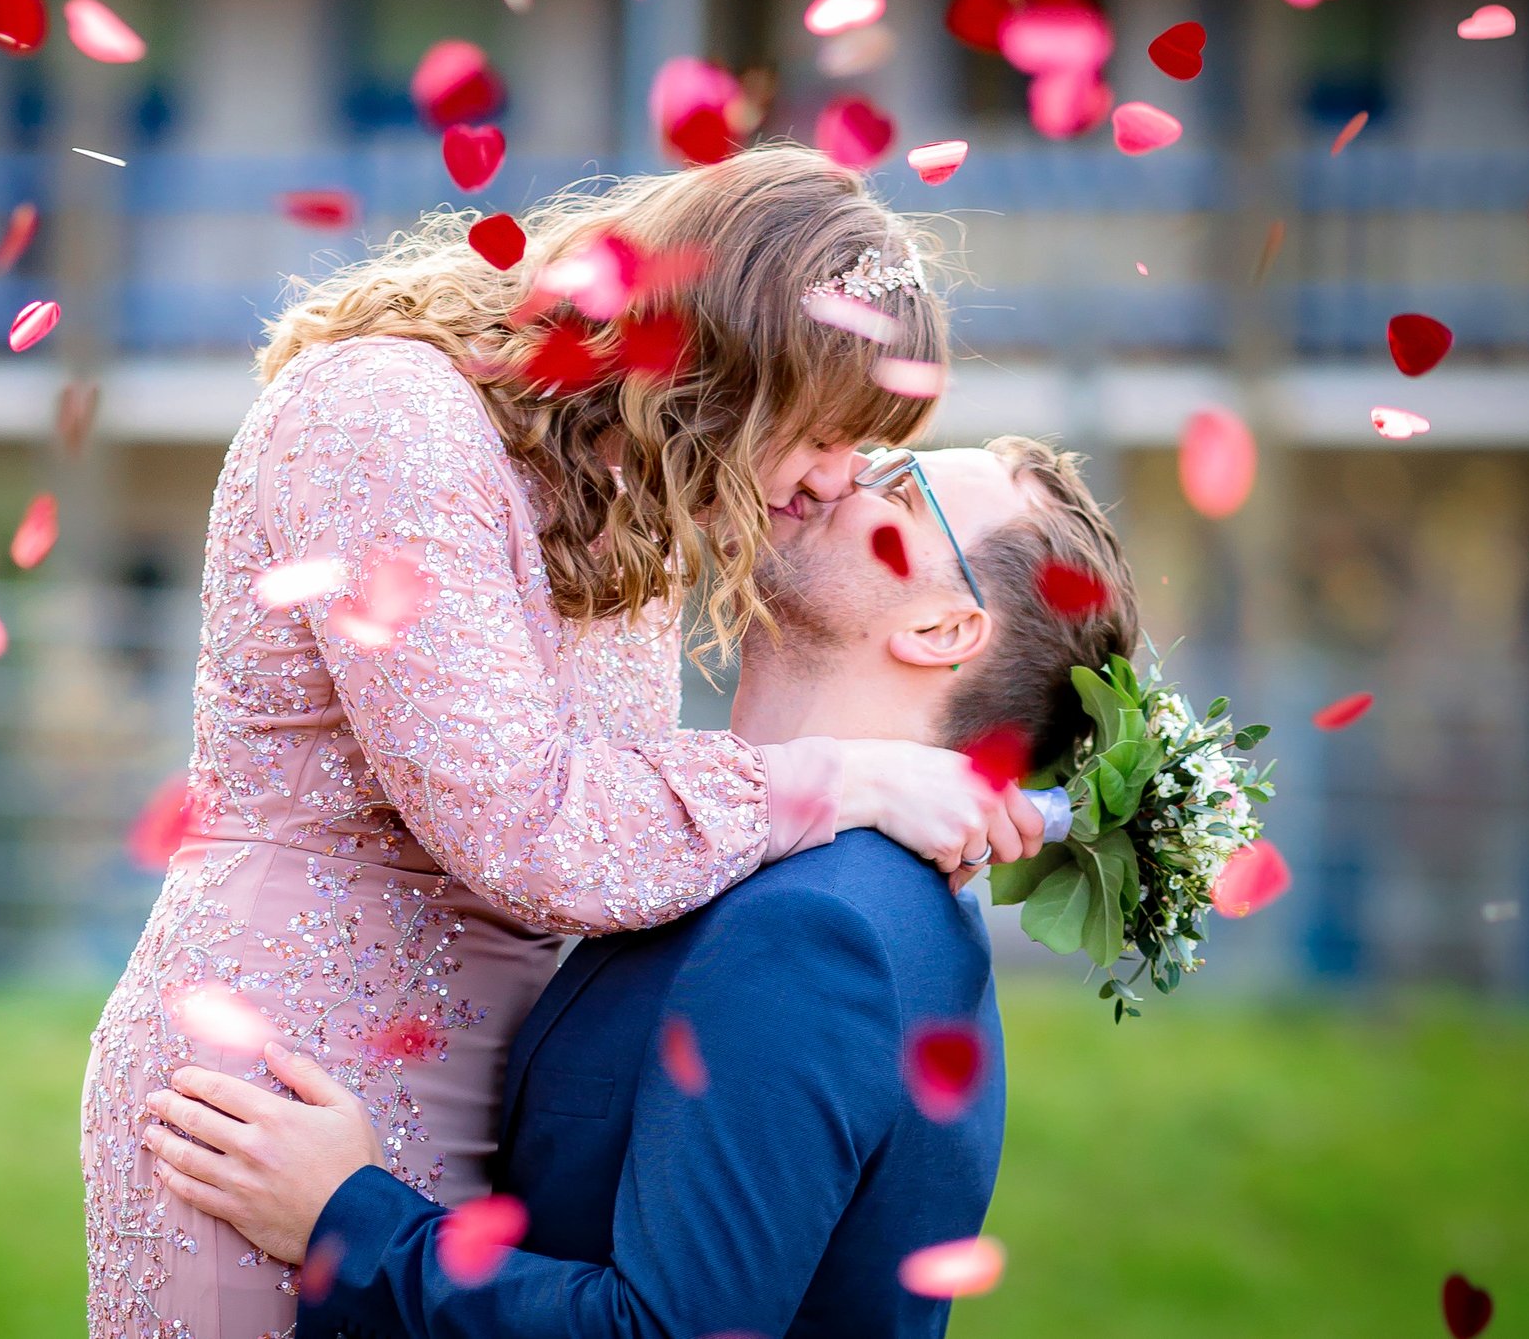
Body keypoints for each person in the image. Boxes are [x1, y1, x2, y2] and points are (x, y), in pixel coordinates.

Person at [83, 145, 1047, 1339]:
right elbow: (526, 820)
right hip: (286, 1077)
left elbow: (623, 811)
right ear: (733, 364)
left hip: (499, 1097)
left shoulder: (628, 493)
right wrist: (843, 780)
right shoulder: (390, 415)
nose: (834, 482)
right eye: (832, 431)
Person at [139, 438, 1140, 1339]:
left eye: (900, 487)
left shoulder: (816, 926)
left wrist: (346, 1218)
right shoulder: (757, 860)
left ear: (943, 628)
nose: (841, 472)